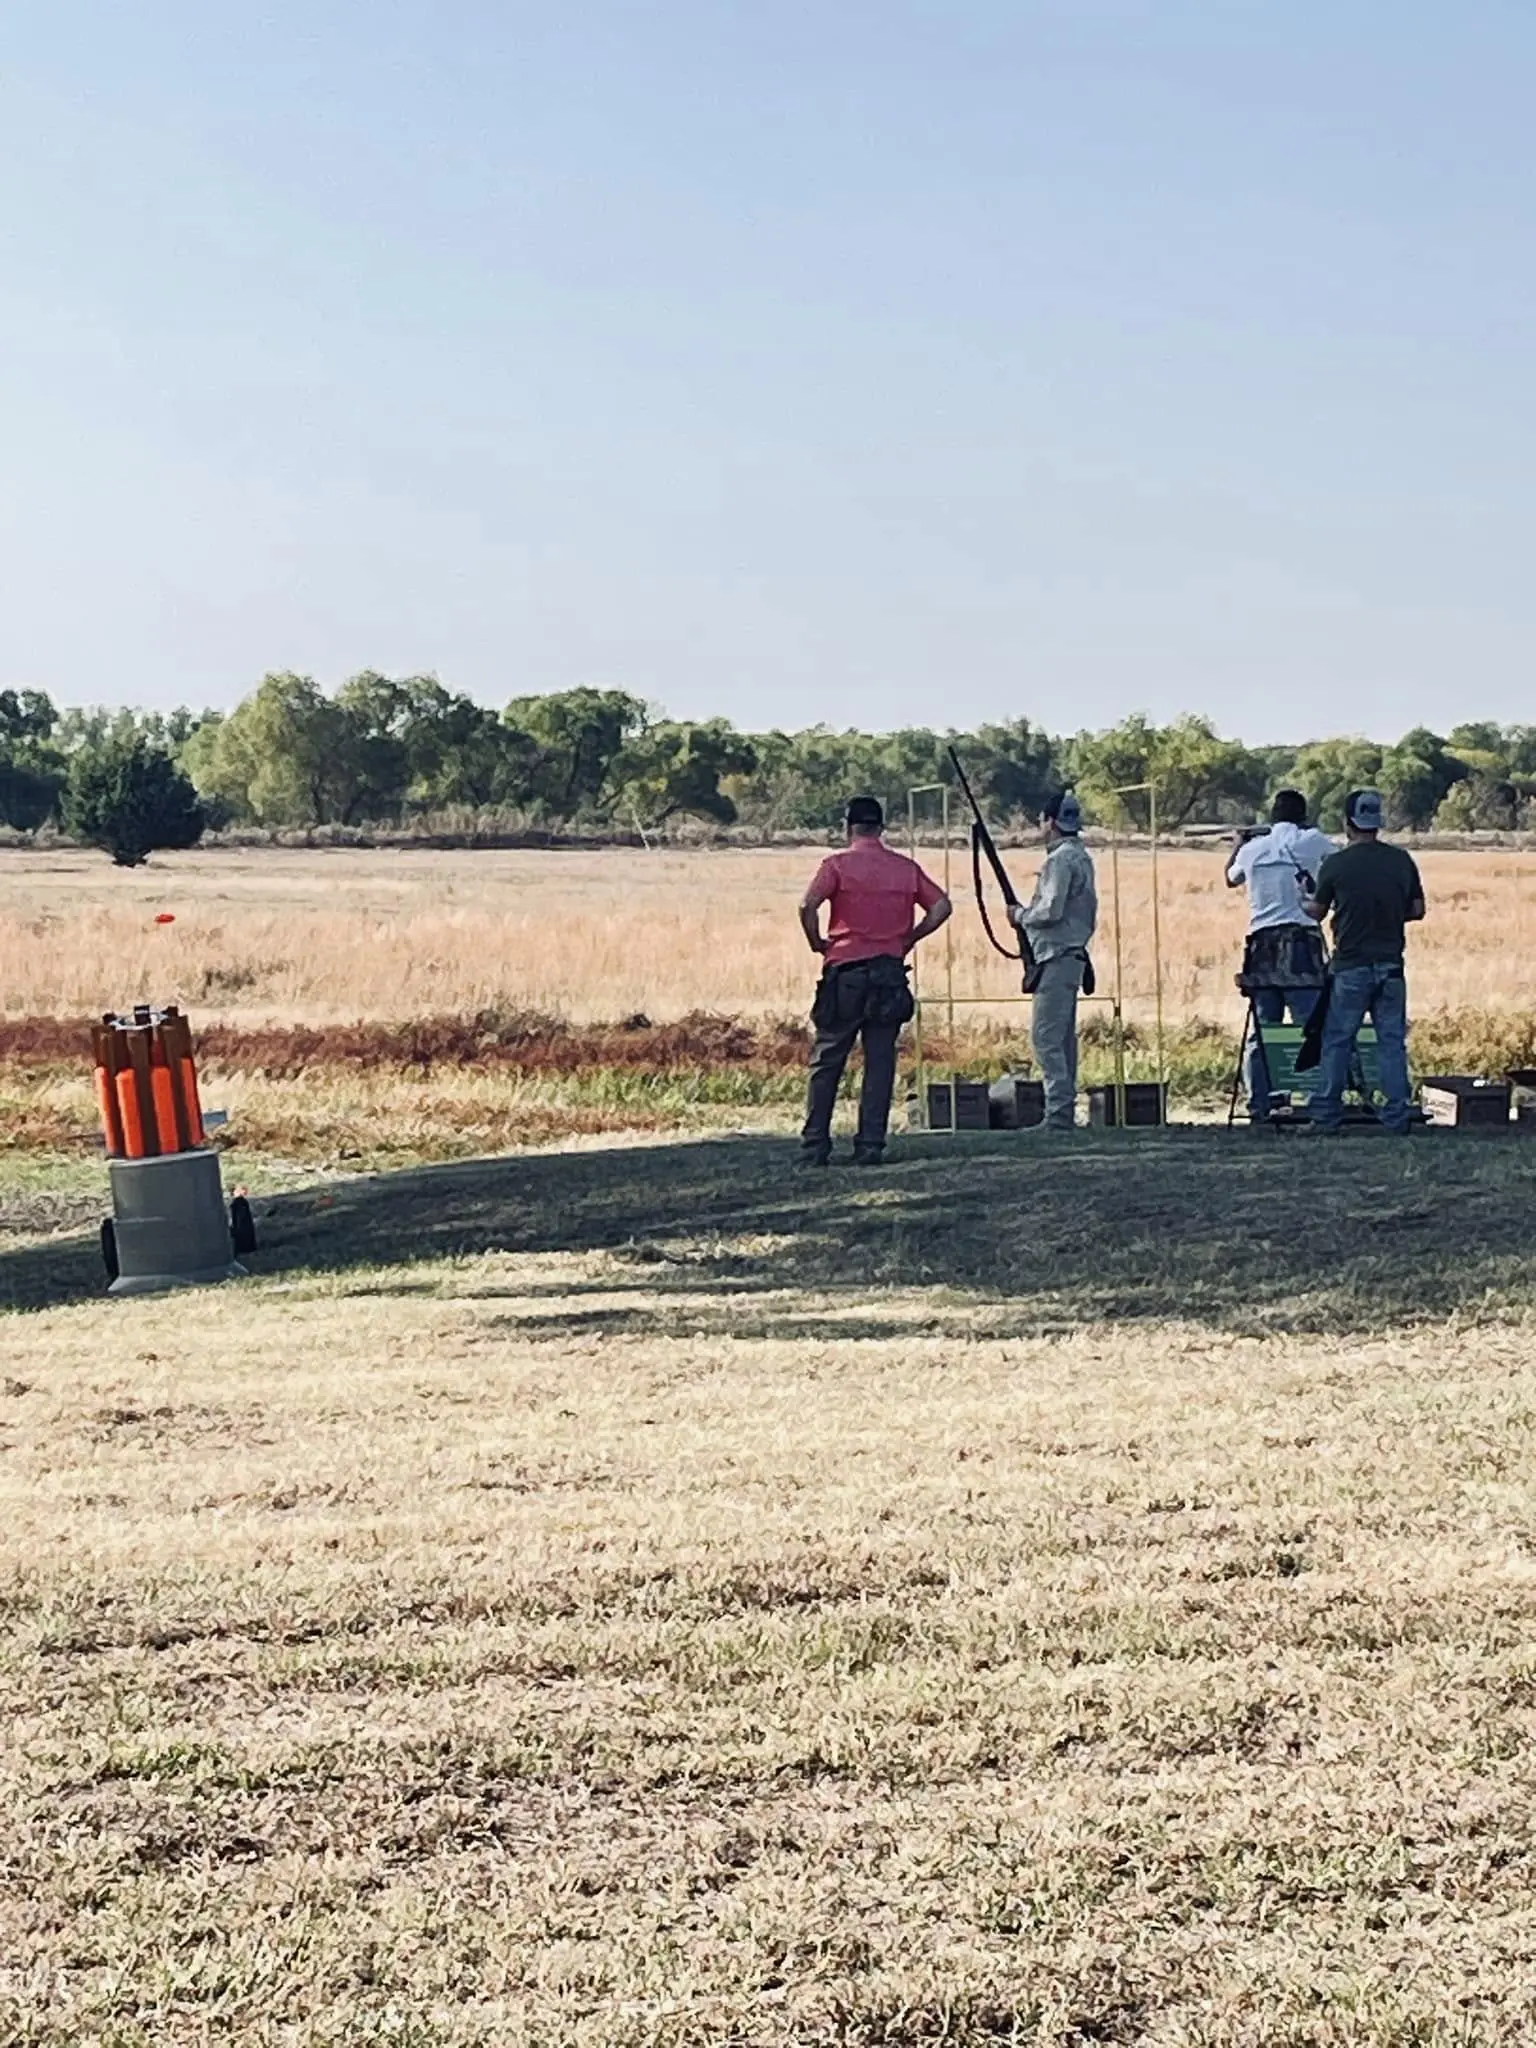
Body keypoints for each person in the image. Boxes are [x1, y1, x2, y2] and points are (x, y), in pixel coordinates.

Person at [798, 796, 952, 1165]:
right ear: (882, 828)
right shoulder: (905, 868)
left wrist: (817, 942)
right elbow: (942, 906)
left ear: (847, 826)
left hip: (846, 972)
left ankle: (815, 1146)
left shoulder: (836, 865)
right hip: (889, 973)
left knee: (828, 1059)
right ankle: (870, 1145)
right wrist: (910, 937)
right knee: (880, 1061)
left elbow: (808, 905)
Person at [1301, 788, 1425, 1134]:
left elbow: (1318, 911)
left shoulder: (1336, 864)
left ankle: (1326, 1116)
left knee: (1338, 1040)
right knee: (1390, 1044)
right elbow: (1416, 910)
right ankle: (1397, 1118)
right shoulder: (1401, 861)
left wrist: (1303, 898)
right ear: (1377, 822)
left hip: (1351, 966)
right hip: (1391, 966)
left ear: (1347, 822)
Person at [1225, 789, 1336, 1120]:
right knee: (1311, 1026)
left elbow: (1231, 878)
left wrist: (1239, 843)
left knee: (1262, 1029)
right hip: (1302, 942)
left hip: (1263, 946)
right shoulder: (1313, 840)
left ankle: (1261, 1103)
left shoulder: (1253, 849)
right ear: (1303, 816)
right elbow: (1334, 860)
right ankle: (1315, 1100)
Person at [1008, 791, 1097, 1132]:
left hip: (1057, 957)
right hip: (1069, 957)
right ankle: (1062, 1110)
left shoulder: (1060, 860)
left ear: (1049, 821)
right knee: (1062, 1039)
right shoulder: (1081, 856)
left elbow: (1051, 910)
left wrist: (1021, 916)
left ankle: (1059, 1115)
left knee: (1047, 1038)